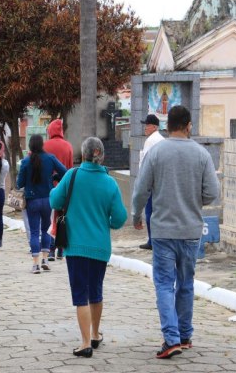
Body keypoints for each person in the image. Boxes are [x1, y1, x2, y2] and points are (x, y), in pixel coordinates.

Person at [132, 105, 219, 359]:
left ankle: (171, 339)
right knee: (186, 283)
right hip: (191, 231)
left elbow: (140, 190)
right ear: (189, 125)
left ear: (167, 125)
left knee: (163, 283)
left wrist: (137, 215)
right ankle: (184, 334)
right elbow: (212, 192)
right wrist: (194, 200)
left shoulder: (156, 152)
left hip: (163, 231)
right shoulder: (202, 154)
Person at [50, 137, 127, 358]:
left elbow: (55, 201)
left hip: (75, 246)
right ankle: (95, 334)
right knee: (96, 291)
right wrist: (106, 222)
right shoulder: (110, 183)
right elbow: (120, 218)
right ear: (101, 155)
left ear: (82, 155)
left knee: (80, 294)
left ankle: (84, 343)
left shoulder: (72, 176)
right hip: (100, 248)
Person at [17, 134, 67, 274]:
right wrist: (54, 178)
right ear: (42, 145)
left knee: (34, 232)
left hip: (32, 201)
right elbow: (65, 172)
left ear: (30, 146)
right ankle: (45, 260)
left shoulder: (26, 162)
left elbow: (19, 183)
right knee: (46, 229)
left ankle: (35, 265)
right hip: (48, 199)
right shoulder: (50, 158)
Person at [43, 119, 74, 260]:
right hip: (64, 186)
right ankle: (61, 249)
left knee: (49, 219)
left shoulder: (45, 146)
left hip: (48, 187)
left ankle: (50, 249)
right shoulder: (68, 146)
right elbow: (70, 167)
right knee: (61, 217)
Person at [138, 114, 165, 250]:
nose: (145, 128)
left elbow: (146, 162)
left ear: (154, 127)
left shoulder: (151, 140)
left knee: (149, 212)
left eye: (147, 125)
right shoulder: (162, 139)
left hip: (151, 182)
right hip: (161, 182)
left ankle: (152, 241)